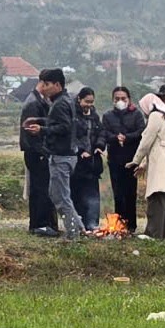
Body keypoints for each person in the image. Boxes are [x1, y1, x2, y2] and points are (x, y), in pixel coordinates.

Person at [41, 68, 86, 239]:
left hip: (61, 155)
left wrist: (42, 129)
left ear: (57, 85)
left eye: (46, 84)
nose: (43, 88)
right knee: (56, 194)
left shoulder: (60, 103)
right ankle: (79, 227)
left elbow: (64, 127)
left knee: (61, 197)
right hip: (66, 154)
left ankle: (73, 233)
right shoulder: (66, 100)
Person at [130, 90, 165, 239]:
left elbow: (147, 140)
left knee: (157, 197)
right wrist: (144, 163)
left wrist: (136, 160)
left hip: (160, 162)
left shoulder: (155, 116)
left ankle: (153, 233)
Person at [19, 74, 59, 236]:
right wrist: (43, 152)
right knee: (40, 189)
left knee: (41, 188)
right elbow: (31, 134)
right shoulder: (33, 104)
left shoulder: (38, 101)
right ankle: (40, 224)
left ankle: (42, 224)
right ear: (43, 84)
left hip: (38, 151)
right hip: (36, 153)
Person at [102, 86, 145, 232]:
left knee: (130, 193)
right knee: (118, 194)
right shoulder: (108, 116)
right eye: (117, 99)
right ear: (113, 100)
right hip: (114, 159)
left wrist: (127, 137)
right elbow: (104, 133)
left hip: (131, 159)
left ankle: (131, 225)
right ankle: (118, 224)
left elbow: (141, 132)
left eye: (123, 98)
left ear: (129, 100)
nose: (120, 101)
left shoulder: (136, 115)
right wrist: (116, 138)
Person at [69, 87, 105, 230]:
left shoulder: (94, 115)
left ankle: (92, 223)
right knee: (77, 193)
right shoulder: (73, 115)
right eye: (86, 101)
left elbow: (101, 132)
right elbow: (72, 136)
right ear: (79, 99)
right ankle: (78, 224)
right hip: (78, 163)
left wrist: (100, 145)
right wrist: (81, 151)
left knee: (93, 195)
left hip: (93, 162)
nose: (89, 105)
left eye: (91, 102)